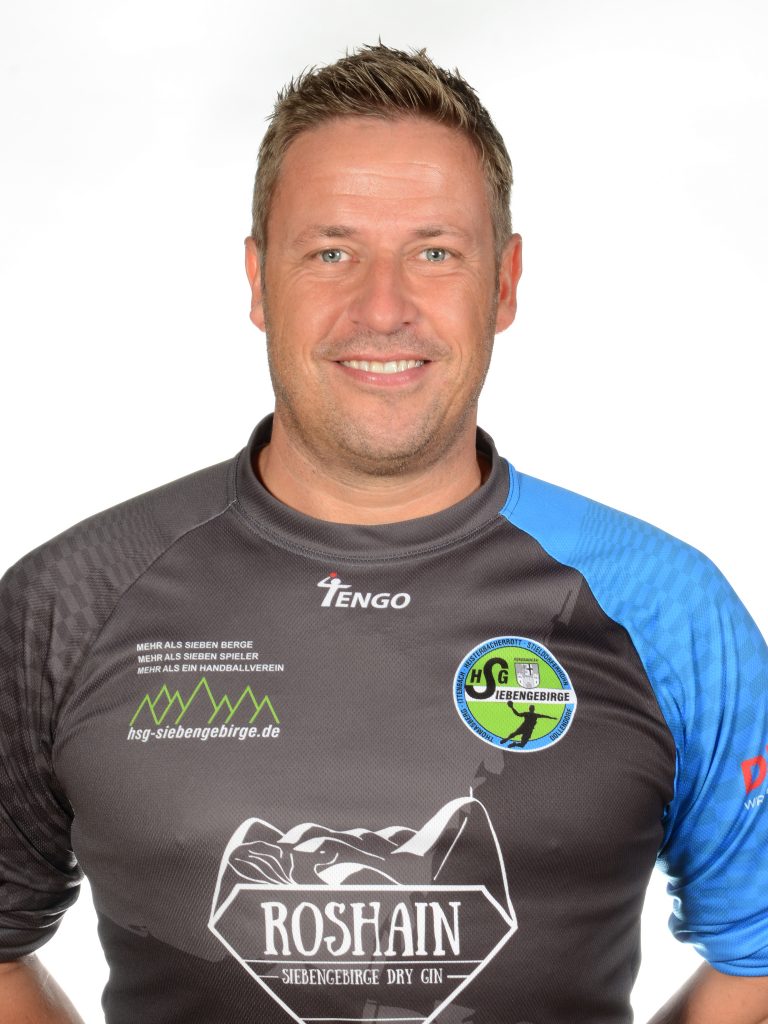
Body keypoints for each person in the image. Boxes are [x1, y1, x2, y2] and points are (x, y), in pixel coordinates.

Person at [0, 42, 766, 1024]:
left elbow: (761, 952)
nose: (383, 308)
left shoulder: (663, 605)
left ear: (504, 282)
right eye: (332, 252)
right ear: (258, 279)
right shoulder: (67, 604)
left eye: (435, 251)